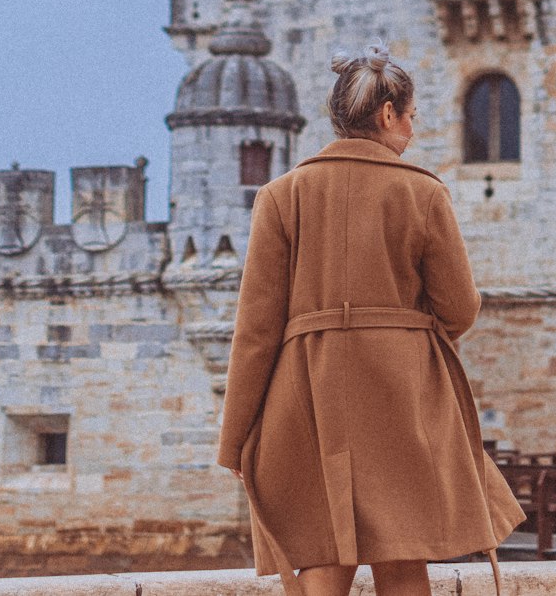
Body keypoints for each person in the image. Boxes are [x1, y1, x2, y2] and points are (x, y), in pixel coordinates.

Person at [217, 41, 524, 596]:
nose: (412, 128)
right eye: (410, 116)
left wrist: (235, 437)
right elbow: (459, 306)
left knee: (321, 554)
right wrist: (402, 335)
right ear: (387, 115)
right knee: (402, 556)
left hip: (306, 392)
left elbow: (256, 332)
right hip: (400, 392)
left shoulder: (280, 196)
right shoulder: (423, 192)